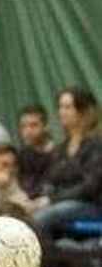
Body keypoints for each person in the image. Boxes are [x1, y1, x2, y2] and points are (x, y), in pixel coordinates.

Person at [31, 86, 102, 241]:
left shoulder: (97, 146)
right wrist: (43, 197)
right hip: (62, 204)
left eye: (67, 107)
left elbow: (90, 187)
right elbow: (51, 179)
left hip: (91, 206)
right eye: (60, 107)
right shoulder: (61, 148)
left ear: (83, 111)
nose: (61, 112)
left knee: (46, 216)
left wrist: (53, 199)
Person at [16, 103, 55, 199]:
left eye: (33, 125)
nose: (28, 131)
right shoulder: (21, 154)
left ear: (46, 126)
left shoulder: (59, 153)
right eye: (23, 126)